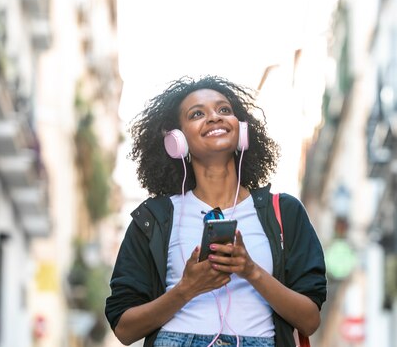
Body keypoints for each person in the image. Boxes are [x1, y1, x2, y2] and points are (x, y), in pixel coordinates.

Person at [105, 75, 327, 347]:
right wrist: (186, 290)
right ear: (177, 140)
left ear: (241, 130)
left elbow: (310, 321)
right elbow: (124, 329)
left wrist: (251, 271)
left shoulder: (284, 211)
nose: (214, 118)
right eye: (197, 114)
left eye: (224, 110)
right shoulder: (153, 218)